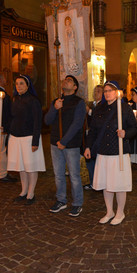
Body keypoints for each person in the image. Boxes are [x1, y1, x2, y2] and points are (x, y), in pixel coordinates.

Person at [84, 81, 137, 225]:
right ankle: (109, 211)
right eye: (105, 91)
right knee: (106, 184)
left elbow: (134, 128)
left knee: (119, 184)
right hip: (103, 151)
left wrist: (125, 133)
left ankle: (120, 212)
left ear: (117, 92)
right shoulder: (99, 109)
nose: (107, 93)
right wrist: (88, 147)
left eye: (110, 91)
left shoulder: (124, 108)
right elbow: (93, 130)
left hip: (119, 152)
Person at [45, 75, 86, 217]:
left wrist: (64, 141)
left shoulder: (79, 102)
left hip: (71, 144)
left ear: (75, 87)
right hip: (55, 143)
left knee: (74, 175)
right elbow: (47, 120)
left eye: (69, 81)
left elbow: (77, 124)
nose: (65, 81)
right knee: (58, 174)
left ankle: (77, 203)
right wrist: (55, 108)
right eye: (65, 80)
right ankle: (61, 200)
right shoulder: (57, 101)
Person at [7, 74, 45, 205]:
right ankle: (23, 191)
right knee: (21, 166)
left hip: (29, 137)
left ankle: (31, 193)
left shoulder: (33, 100)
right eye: (17, 84)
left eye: (21, 83)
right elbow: (12, 118)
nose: (18, 86)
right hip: (15, 137)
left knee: (30, 166)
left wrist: (35, 141)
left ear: (28, 86)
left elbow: (37, 121)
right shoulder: (15, 99)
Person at [84, 85, 104, 190]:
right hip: (90, 134)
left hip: (98, 137)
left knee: (96, 160)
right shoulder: (92, 104)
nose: (96, 93)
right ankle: (93, 181)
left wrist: (89, 111)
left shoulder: (103, 105)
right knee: (89, 159)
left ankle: (98, 182)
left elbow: (98, 118)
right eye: (95, 91)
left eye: (99, 91)